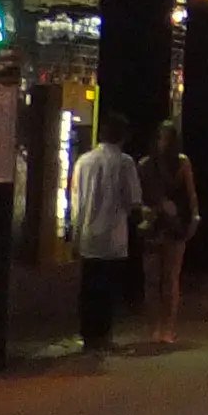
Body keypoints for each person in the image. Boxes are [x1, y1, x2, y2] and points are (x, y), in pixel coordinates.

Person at [68, 116, 143, 354]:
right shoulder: (125, 162)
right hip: (113, 235)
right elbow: (133, 199)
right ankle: (104, 335)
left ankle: (88, 335)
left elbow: (76, 198)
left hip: (88, 233)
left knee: (89, 287)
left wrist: (75, 234)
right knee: (108, 289)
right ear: (123, 137)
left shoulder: (83, 161)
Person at [136, 120, 196, 347]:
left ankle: (167, 327)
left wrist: (193, 217)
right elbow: (138, 197)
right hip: (156, 223)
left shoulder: (180, 164)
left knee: (169, 278)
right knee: (153, 278)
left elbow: (190, 195)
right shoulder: (146, 165)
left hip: (171, 224)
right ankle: (156, 326)